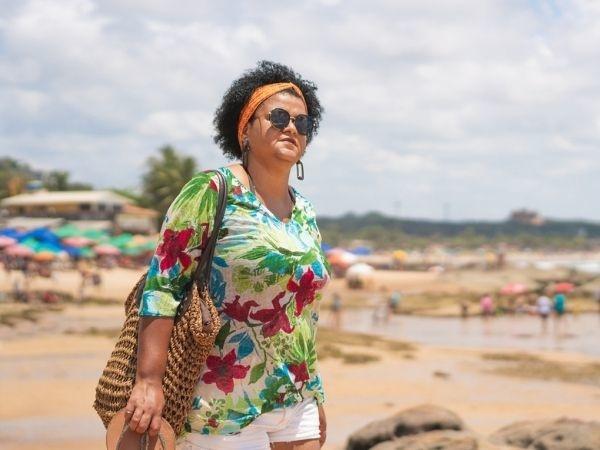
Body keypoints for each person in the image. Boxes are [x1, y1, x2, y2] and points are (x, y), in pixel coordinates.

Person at [126, 61, 330, 450]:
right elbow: (163, 285)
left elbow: (302, 314)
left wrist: (314, 391)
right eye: (279, 117)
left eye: (303, 123)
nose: (292, 128)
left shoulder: (304, 211)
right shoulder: (212, 190)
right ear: (245, 128)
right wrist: (149, 380)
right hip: (218, 404)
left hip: (295, 398)